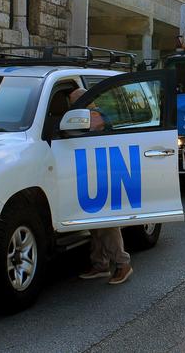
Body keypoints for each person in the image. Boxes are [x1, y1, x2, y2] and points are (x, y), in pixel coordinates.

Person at [68, 88, 133, 285]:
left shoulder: (95, 117)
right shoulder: (92, 115)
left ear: (83, 102)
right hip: (92, 172)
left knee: (106, 222)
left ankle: (123, 264)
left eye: (73, 102)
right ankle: (100, 265)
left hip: (103, 172)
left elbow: (86, 133)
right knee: (95, 224)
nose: (71, 107)